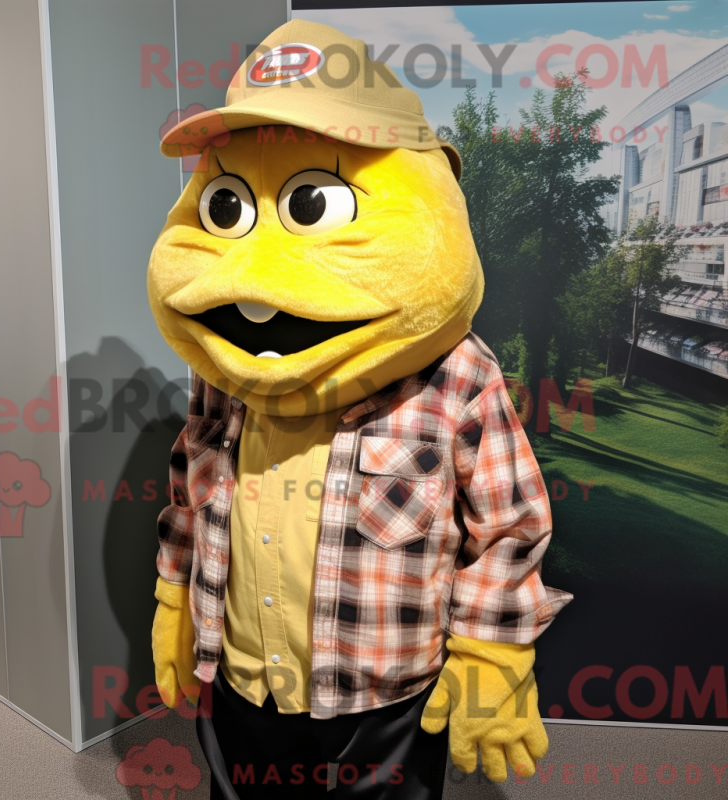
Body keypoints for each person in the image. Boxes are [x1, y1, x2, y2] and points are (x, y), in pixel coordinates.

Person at [147, 20, 572, 798]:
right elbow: (190, 485)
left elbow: (510, 527)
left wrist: (491, 654)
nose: (254, 271)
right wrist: (175, 593)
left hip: (381, 695)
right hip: (243, 678)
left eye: (309, 203)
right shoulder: (228, 367)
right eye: (227, 208)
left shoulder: (457, 376)